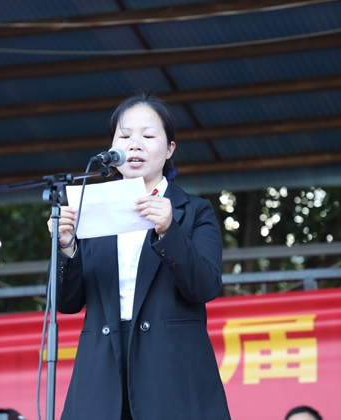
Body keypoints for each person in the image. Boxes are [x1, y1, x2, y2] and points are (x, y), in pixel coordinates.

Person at [48, 93, 231, 420]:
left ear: (170, 149)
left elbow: (205, 286)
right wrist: (66, 247)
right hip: (101, 373)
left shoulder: (194, 211)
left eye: (148, 136)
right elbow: (68, 303)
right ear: (111, 149)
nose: (135, 144)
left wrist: (169, 230)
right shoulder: (89, 210)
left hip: (173, 375)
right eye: (124, 136)